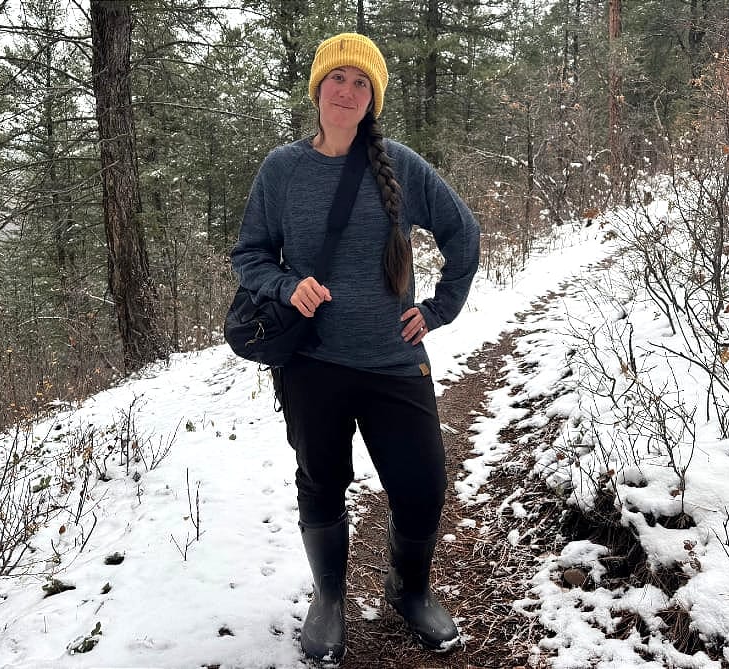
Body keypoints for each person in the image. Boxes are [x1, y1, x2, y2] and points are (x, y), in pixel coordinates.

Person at [230, 32, 480, 663]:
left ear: (374, 98)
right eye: (336, 79)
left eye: (360, 82)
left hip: (396, 361)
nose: (346, 91)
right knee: (321, 482)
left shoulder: (399, 164)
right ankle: (329, 598)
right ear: (317, 89)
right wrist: (287, 285)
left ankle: (410, 589)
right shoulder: (282, 169)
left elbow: (462, 231)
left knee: (422, 485)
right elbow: (250, 257)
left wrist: (439, 308)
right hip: (314, 362)